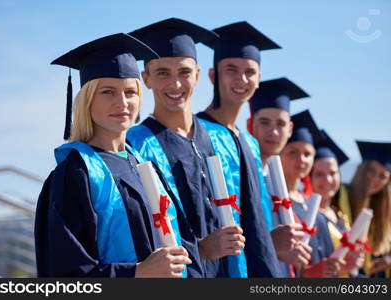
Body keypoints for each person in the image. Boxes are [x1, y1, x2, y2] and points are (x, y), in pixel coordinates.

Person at [34, 33, 203, 278]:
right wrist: (137, 273)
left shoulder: (146, 166)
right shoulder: (74, 174)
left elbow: (186, 246)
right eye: (108, 92)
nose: (122, 102)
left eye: (130, 92)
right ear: (87, 100)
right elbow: (64, 272)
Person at [128, 18, 279, 277]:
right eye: (163, 72)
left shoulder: (226, 141)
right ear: (146, 79)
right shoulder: (134, 145)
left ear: (197, 75)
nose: (175, 84)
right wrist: (198, 249)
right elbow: (137, 232)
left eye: (184, 72)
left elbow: (254, 228)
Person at [196, 21, 288, 278]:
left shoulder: (250, 143)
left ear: (258, 79)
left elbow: (257, 214)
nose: (241, 79)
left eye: (250, 72)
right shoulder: (196, 132)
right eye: (231, 70)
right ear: (213, 76)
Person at [249, 77, 313, 276]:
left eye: (280, 124)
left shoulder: (279, 185)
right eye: (265, 122)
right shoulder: (241, 174)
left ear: (290, 129)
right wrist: (271, 247)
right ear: (251, 125)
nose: (273, 131)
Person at [280, 110, 344, 277]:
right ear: (280, 153)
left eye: (307, 154)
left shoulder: (314, 208)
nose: (301, 160)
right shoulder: (273, 201)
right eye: (293, 152)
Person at [311, 130, 365, 277]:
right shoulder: (309, 217)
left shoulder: (338, 213)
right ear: (309, 177)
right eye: (319, 174)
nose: (328, 180)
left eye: (332, 173)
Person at [348, 141, 391, 277]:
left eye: (382, 176)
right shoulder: (340, 197)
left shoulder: (384, 212)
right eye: (371, 171)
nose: (375, 179)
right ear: (362, 169)